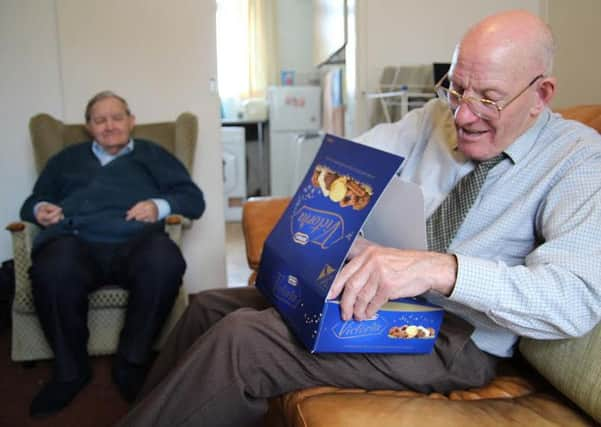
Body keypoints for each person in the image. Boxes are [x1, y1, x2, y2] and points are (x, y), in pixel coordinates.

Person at [118, 10, 601, 427]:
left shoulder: (579, 162)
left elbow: (574, 299)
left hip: (457, 337)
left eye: (488, 97)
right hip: (385, 299)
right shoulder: (433, 117)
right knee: (208, 307)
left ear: (541, 94)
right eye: (456, 88)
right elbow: (349, 163)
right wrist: (329, 227)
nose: (463, 115)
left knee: (246, 340)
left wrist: (436, 268)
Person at [20, 91, 205, 417]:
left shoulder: (154, 155)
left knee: (165, 261)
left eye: (117, 117)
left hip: (135, 241)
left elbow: (193, 199)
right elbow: (32, 202)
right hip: (74, 240)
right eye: (100, 120)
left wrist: (157, 206)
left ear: (131, 121)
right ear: (89, 127)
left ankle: (131, 362)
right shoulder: (66, 159)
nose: (109, 126)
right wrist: (41, 209)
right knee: (53, 270)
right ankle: (71, 371)